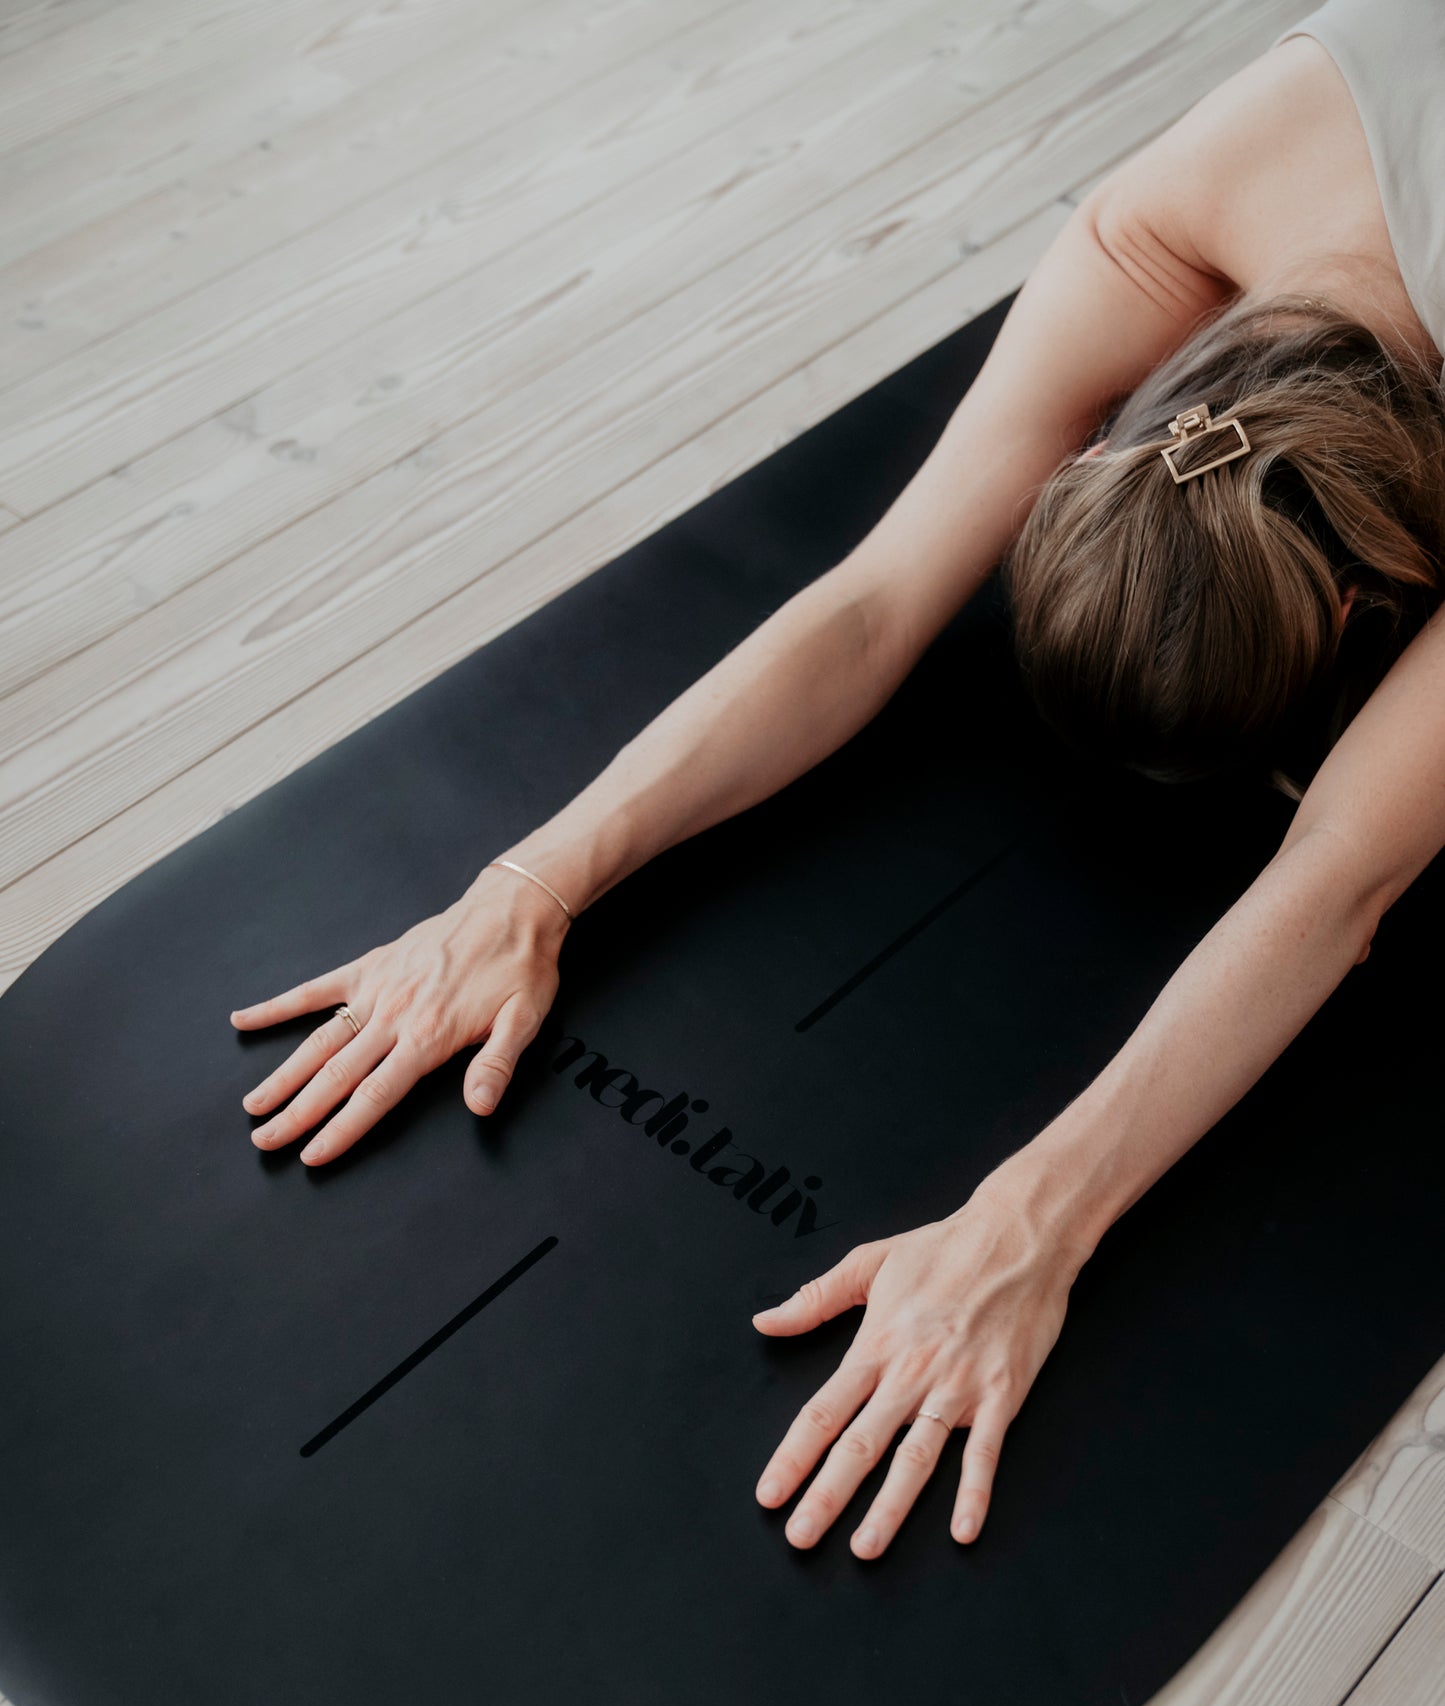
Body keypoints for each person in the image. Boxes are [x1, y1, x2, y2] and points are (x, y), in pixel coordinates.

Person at [231, 0, 1445, 1562]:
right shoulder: (1181, 208)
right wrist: (529, 883)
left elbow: (1337, 878)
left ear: (1362, 611)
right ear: (1105, 435)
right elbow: (875, 602)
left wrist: (1034, 1222)